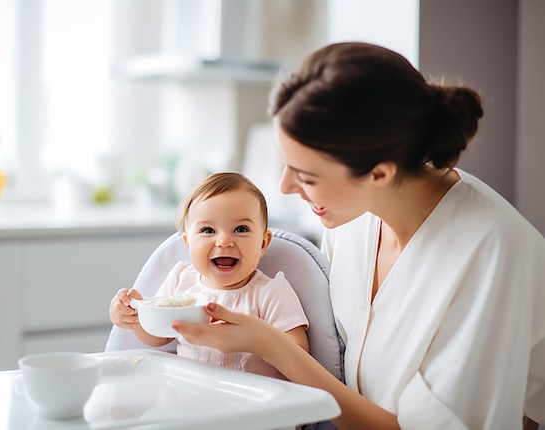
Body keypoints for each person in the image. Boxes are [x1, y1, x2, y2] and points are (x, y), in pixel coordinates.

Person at [169, 42, 545, 429]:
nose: (285, 187)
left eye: (307, 176)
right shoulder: (352, 222)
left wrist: (271, 344)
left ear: (379, 174)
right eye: (287, 165)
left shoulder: (493, 253)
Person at [109, 171, 309, 379]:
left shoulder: (270, 292)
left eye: (240, 229)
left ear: (263, 243)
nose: (223, 241)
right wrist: (133, 318)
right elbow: (158, 336)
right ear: (188, 243)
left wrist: (261, 343)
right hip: (190, 392)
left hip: (251, 402)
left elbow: (300, 354)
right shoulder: (181, 280)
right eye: (207, 230)